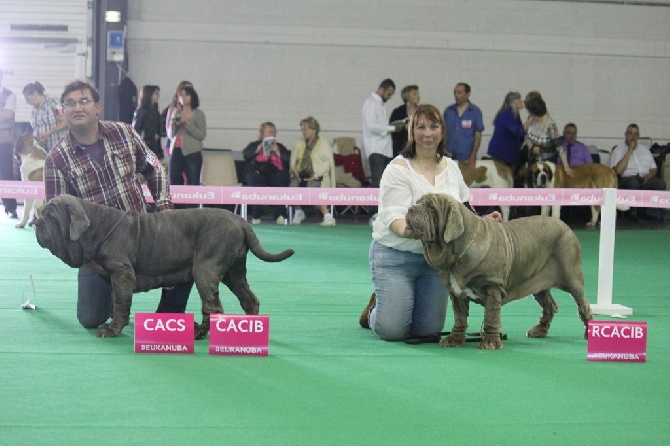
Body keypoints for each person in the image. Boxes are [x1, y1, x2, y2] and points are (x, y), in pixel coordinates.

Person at [43, 80, 193, 329]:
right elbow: (57, 219)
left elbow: (154, 169)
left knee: (187, 250)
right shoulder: (56, 159)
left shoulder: (124, 132)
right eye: (70, 103)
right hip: (98, 249)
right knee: (91, 319)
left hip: (144, 235)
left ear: (97, 106)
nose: (77, 107)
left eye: (84, 101)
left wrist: (166, 208)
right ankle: (117, 295)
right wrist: (89, 260)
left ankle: (168, 315)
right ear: (63, 112)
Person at [359, 104, 501, 341]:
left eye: (433, 127)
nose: (427, 133)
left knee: (428, 332)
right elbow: (397, 222)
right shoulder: (396, 170)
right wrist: (428, 231)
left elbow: (464, 210)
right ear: (411, 132)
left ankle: (395, 303)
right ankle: (374, 310)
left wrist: (482, 221)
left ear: (442, 132)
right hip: (395, 257)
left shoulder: (452, 168)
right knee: (392, 331)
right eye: (421, 127)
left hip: (437, 263)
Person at [610, 123, 666, 219]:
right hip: (626, 179)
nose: (633, 137)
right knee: (633, 183)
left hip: (645, 177)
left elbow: (654, 169)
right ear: (625, 135)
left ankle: (651, 213)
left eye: (636, 134)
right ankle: (632, 213)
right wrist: (630, 150)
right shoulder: (618, 150)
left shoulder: (644, 150)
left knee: (659, 183)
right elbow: (617, 171)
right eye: (630, 134)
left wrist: (647, 177)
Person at [289, 116, 337, 227]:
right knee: (293, 188)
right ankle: (298, 212)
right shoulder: (299, 143)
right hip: (300, 175)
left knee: (314, 190)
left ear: (314, 129)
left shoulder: (323, 143)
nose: (303, 132)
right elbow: (294, 162)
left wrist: (315, 176)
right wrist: (296, 173)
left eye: (306, 129)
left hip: (317, 176)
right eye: (302, 129)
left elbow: (327, 164)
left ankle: (327, 216)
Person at [242, 122, 290, 224]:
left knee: (281, 178)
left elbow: (288, 159)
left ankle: (280, 215)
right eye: (269, 131)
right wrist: (258, 149)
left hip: (274, 172)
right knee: (256, 180)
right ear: (262, 133)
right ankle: (256, 215)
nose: (271, 133)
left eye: (273, 131)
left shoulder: (280, 146)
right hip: (258, 171)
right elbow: (246, 155)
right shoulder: (254, 145)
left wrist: (277, 152)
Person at [169, 85, 206, 208]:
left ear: (192, 97)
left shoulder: (199, 114)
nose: (183, 97)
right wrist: (175, 124)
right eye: (181, 95)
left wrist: (187, 124)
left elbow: (201, 135)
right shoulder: (176, 112)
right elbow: (171, 135)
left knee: (193, 182)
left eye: (186, 94)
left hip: (193, 152)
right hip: (176, 150)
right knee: (174, 181)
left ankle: (192, 212)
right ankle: (176, 211)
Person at [362, 79, 403, 188]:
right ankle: (373, 206)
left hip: (384, 150)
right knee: (378, 184)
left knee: (384, 184)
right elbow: (372, 127)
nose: (389, 97)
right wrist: (393, 128)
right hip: (376, 150)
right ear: (381, 89)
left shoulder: (380, 104)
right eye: (389, 94)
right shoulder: (371, 103)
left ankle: (381, 205)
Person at [524, 96, 572, 176]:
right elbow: (525, 135)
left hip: (548, 164)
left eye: (531, 112)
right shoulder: (532, 121)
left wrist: (566, 166)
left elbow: (559, 147)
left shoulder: (550, 126)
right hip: (533, 163)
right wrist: (532, 147)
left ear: (534, 113)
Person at [443, 82, 484, 166]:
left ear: (468, 94)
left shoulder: (475, 112)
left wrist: (473, 154)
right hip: (448, 156)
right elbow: (442, 131)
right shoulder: (448, 111)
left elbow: (478, 134)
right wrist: (443, 149)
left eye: (459, 92)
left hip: (466, 157)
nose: (456, 95)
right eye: (455, 92)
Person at [486, 91, 530, 169]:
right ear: (513, 102)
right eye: (518, 99)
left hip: (510, 151)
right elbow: (518, 131)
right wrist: (530, 119)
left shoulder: (514, 115)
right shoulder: (506, 115)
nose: (521, 101)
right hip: (502, 152)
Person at [22, 81, 68, 152]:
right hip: (42, 150)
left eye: (27, 99)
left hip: (57, 148)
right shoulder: (34, 111)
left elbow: (65, 121)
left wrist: (49, 132)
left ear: (35, 93)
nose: (27, 103)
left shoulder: (54, 103)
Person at [0, 67, 18, 218]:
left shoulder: (9, 95)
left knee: (5, 173)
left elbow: (7, 114)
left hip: (3, 142)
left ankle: (10, 207)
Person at [132, 85, 164, 160]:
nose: (158, 96)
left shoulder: (155, 110)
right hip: (145, 147)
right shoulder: (142, 110)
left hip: (154, 147)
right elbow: (136, 130)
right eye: (156, 93)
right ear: (149, 94)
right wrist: (151, 136)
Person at [389, 85, 420, 157]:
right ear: (407, 97)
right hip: (401, 148)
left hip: (418, 148)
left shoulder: (422, 111)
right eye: (415, 94)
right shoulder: (398, 112)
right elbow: (393, 129)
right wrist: (403, 127)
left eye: (418, 94)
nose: (418, 96)